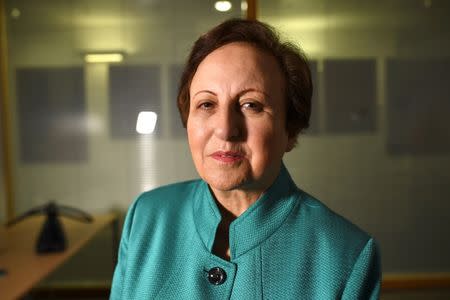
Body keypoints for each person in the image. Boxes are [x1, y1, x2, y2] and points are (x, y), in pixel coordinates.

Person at [110, 18, 381, 299]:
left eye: (251, 105)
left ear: (290, 129)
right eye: (206, 104)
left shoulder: (346, 256)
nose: (226, 128)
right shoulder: (147, 216)